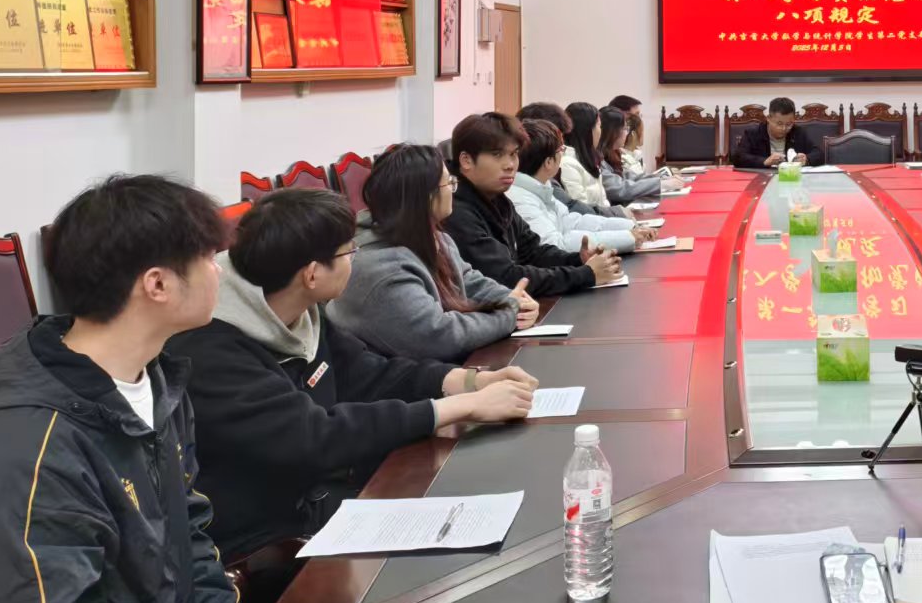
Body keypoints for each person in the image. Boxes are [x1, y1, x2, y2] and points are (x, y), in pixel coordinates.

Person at [170, 188, 537, 574]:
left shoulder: (303, 310)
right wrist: (459, 407)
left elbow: (369, 373)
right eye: (349, 251)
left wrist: (468, 381)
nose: (356, 259)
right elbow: (315, 436)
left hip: (322, 498)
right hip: (265, 539)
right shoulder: (210, 349)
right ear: (312, 274)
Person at [0, 175, 243, 603]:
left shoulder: (154, 377)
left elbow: (185, 525)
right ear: (157, 285)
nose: (219, 271)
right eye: (209, 258)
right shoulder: (31, 444)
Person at [332, 144, 538, 361]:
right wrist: (508, 314)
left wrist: (515, 301)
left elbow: (469, 280)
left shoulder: (435, 238)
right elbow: (440, 336)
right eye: (449, 183)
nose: (453, 190)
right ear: (426, 196)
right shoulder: (380, 269)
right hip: (404, 378)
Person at [444, 111, 623, 298]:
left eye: (513, 154)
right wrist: (584, 275)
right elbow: (505, 277)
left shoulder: (497, 198)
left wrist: (578, 259)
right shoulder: (455, 210)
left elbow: (532, 252)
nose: (510, 165)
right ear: (466, 160)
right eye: (497, 155)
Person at [510, 119, 651, 254]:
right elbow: (556, 245)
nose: (563, 154)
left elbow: (573, 222)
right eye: (561, 150)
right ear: (548, 162)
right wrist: (627, 237)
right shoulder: (522, 200)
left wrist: (629, 228)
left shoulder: (541, 187)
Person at [518, 102, 629, 220]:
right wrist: (619, 215)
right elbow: (576, 211)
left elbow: (570, 219)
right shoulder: (566, 164)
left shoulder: (548, 180)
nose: (562, 146)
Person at [596, 103, 683, 205]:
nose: (627, 133)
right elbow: (620, 189)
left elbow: (629, 177)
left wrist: (661, 179)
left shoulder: (611, 154)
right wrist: (661, 184)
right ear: (612, 132)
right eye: (625, 128)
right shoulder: (597, 158)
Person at [731, 96, 827, 169]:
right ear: (768, 118)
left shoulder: (798, 132)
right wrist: (764, 161)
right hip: (762, 180)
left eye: (789, 124)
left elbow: (819, 154)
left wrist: (806, 159)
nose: (784, 128)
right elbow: (738, 158)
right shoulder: (753, 133)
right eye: (779, 124)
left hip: (791, 179)